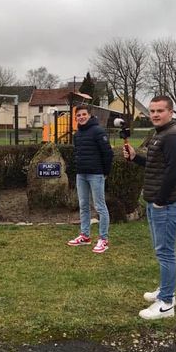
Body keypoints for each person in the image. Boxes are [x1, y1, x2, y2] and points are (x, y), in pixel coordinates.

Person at [123, 95, 176, 319]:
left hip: (166, 205)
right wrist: (135, 158)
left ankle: (167, 304)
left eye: (160, 111)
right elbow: (155, 166)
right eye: (152, 111)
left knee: (166, 252)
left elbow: (172, 172)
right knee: (161, 251)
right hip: (157, 203)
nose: (155, 115)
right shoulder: (161, 134)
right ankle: (165, 289)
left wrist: (160, 200)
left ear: (170, 112)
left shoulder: (173, 137)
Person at [66, 104, 114, 253]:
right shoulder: (77, 135)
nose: (81, 117)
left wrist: (105, 172)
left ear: (89, 115)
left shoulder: (98, 131)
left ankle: (103, 239)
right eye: (78, 115)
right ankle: (85, 236)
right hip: (81, 175)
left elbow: (108, 154)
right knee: (84, 206)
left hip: (96, 174)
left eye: (83, 114)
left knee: (100, 206)